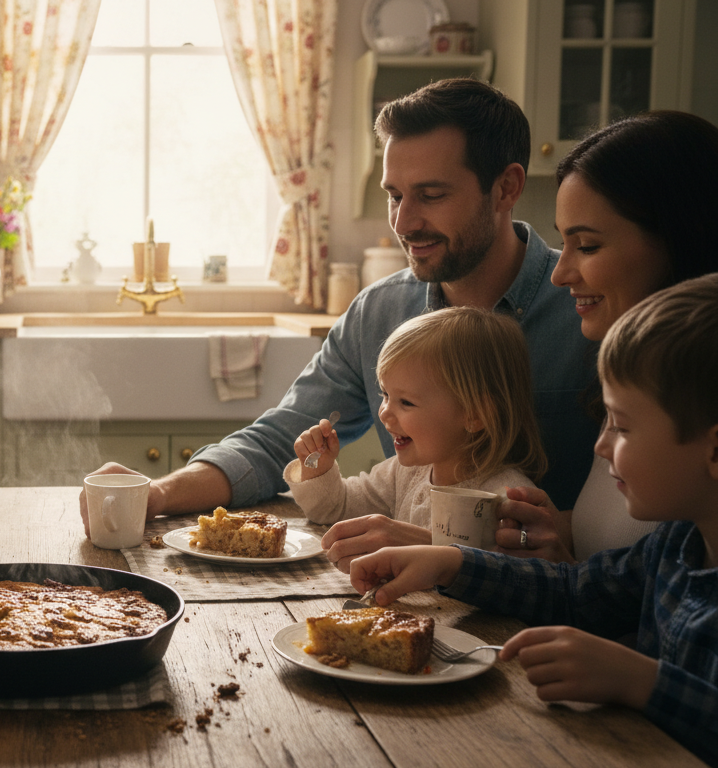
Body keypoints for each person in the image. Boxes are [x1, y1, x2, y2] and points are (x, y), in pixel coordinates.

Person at [81, 78, 599, 568]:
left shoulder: (590, 308)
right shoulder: (378, 313)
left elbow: (647, 513)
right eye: (395, 194)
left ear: (506, 187)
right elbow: (276, 441)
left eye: (432, 195)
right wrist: (157, 494)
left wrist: (561, 531)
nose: (404, 221)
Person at [348, 274, 718, 766]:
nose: (601, 446)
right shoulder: (673, 546)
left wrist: (643, 681)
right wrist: (451, 563)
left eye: (622, 426)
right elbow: (575, 591)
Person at [495, 110, 718, 562]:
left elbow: (669, 613)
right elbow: (623, 566)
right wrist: (554, 532)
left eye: (589, 246)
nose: (559, 274)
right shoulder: (636, 369)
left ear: (680, 239)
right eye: (564, 242)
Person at [287, 307, 545, 548]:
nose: (385, 412)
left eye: (406, 402)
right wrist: (318, 472)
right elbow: (337, 508)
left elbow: (505, 575)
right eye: (384, 394)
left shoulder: (509, 500)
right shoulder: (401, 474)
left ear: (475, 415)